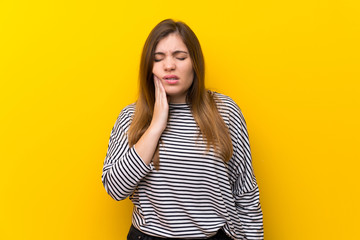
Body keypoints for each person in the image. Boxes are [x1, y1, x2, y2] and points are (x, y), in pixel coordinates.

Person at [101, 19, 263, 240]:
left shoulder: (224, 111)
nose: (169, 65)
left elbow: (245, 191)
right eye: (159, 59)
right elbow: (115, 187)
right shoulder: (132, 116)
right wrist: (156, 125)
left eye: (180, 57)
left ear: (195, 63)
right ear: (149, 67)